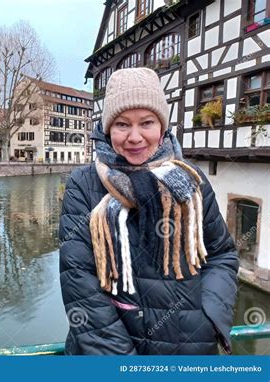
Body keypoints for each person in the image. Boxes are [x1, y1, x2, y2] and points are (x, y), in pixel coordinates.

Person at [59, 68, 239, 355]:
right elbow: (79, 281)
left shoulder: (191, 181)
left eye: (146, 122)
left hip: (189, 347)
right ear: (107, 129)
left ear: (162, 127)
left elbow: (222, 254)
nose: (134, 137)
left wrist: (210, 315)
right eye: (121, 124)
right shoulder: (84, 184)